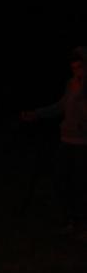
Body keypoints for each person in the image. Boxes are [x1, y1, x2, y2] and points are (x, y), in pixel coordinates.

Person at [21, 45, 87, 236]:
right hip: (66, 139)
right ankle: (70, 220)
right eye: (74, 67)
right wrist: (37, 114)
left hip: (83, 143)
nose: (76, 70)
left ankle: (81, 223)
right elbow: (61, 106)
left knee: (80, 183)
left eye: (80, 66)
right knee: (61, 179)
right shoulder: (71, 84)